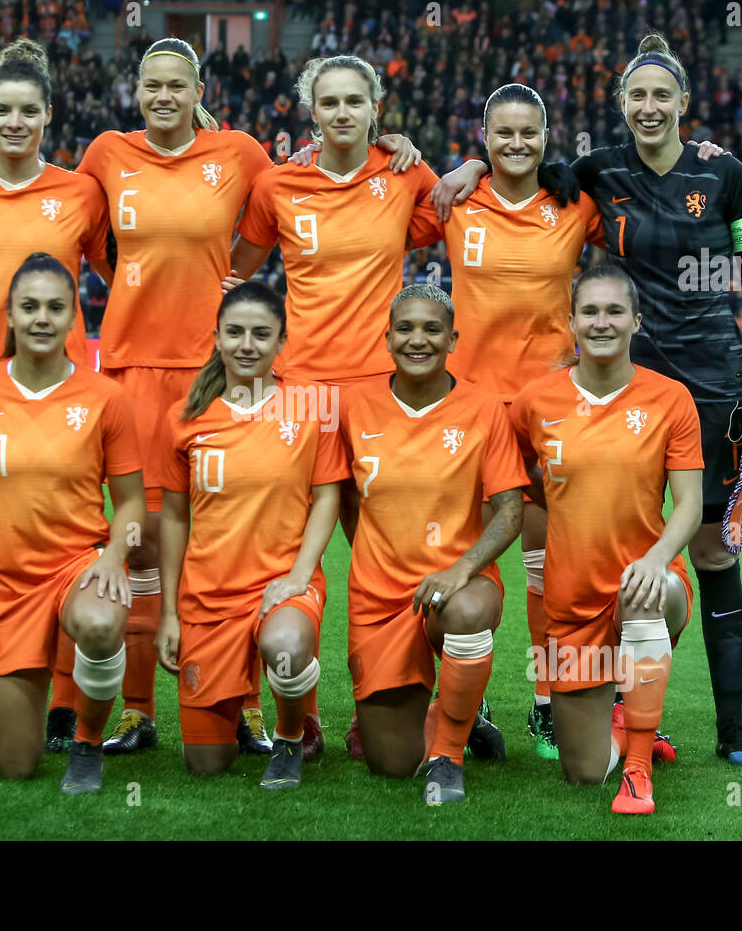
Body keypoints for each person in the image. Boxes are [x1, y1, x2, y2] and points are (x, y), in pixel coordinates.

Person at [436, 34, 742, 767]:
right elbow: (527, 163)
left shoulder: (723, 172)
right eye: (636, 95)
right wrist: (473, 160)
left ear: (684, 104)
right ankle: (607, 709)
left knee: (710, 544)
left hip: (711, 379)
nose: (648, 106)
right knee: (615, 537)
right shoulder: (598, 171)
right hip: (623, 382)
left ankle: (730, 729)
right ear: (621, 105)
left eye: (661, 95)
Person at [0, 38, 276, 756]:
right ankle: (132, 708)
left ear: (198, 91)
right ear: (135, 91)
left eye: (176, 85)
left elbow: (280, 209)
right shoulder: (106, 155)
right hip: (128, 368)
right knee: (138, 541)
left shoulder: (240, 154)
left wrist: (237, 274)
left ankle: (242, 703)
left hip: (213, 372)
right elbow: (96, 246)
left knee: (225, 537)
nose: (163, 95)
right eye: (151, 84)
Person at [229, 55, 514, 760]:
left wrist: (473, 166)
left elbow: (455, 201)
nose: (343, 112)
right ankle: (294, 711)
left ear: (376, 108)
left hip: (378, 398)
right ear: (311, 110)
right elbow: (238, 270)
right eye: (329, 101)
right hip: (297, 396)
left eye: (356, 100)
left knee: (386, 556)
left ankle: (452, 701)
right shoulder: (277, 183)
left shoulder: (401, 175)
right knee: (284, 556)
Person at [0, 38, 111, 756]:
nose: (15, 122)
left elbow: (127, 264)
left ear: (47, 116)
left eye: (28, 111)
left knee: (66, 545)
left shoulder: (79, 193)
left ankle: (66, 709)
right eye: (2, 110)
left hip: (61, 398)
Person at [420, 83, 602, 760]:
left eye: (528, 133)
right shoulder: (457, 199)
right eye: (503, 134)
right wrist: (456, 166)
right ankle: (470, 701)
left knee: (544, 566)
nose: (516, 144)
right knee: (463, 561)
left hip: (550, 407)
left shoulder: (575, 204)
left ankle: (550, 703)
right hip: (469, 406)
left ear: (547, 137)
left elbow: (639, 178)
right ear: (485, 137)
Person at [0, 253, 145, 792]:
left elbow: (132, 501)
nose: (42, 318)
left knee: (99, 622)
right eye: (29, 307)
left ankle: (87, 746)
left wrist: (114, 555)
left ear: (74, 317)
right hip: (8, 587)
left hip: (78, 568)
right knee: (15, 766)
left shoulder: (106, 399)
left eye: (54, 307)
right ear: (10, 315)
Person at [510, 266, 704, 814]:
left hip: (650, 581)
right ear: (570, 322)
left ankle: (639, 771)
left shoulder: (670, 399)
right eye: (590, 312)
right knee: (583, 772)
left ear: (636, 322)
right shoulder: (534, 403)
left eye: (615, 311)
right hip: (571, 603)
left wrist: (657, 558)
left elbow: (688, 504)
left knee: (643, 595)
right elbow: (522, 486)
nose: (602, 322)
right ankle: (628, 723)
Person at [154, 282, 346, 788]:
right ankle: (233, 710)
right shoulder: (184, 417)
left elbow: (327, 497)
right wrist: (170, 613)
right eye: (235, 332)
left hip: (280, 584)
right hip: (207, 596)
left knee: (285, 642)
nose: (247, 344)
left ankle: (288, 737)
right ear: (216, 337)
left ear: (282, 340)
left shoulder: (311, 407)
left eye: (262, 334)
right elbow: (173, 517)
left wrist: (300, 577)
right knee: (205, 764)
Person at [341, 284, 527, 803]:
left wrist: (460, 568)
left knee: (464, 613)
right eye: (405, 328)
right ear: (387, 338)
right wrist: (380, 555)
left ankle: (449, 753)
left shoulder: (484, 409)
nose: (417, 339)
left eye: (431, 329)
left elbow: (511, 512)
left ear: (452, 339)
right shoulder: (356, 408)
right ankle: (454, 716)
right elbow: (346, 504)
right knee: (391, 765)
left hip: (459, 585)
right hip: (379, 597)